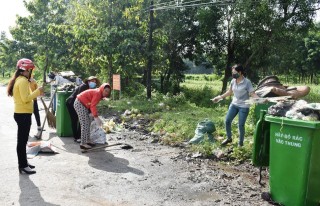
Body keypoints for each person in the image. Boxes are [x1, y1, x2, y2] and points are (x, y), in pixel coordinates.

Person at [7, 58, 44, 174]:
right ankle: (23, 165)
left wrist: (35, 88)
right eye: (29, 70)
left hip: (22, 114)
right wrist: (38, 91)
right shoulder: (22, 81)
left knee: (22, 141)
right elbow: (25, 99)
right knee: (22, 142)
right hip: (23, 115)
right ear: (24, 70)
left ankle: (24, 163)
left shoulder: (21, 80)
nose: (30, 72)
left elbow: (26, 96)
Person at [211, 64, 259, 147]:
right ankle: (229, 138)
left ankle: (240, 143)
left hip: (244, 106)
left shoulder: (247, 82)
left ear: (240, 72)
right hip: (234, 104)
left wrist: (260, 99)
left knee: (240, 125)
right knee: (227, 121)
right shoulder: (233, 81)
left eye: (235, 72)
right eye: (232, 72)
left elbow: (252, 93)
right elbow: (229, 92)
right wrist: (219, 97)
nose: (233, 74)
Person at [74, 83, 111, 150]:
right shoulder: (98, 93)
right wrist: (96, 116)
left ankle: (87, 140)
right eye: (105, 91)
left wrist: (93, 114)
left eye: (108, 92)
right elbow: (93, 105)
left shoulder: (99, 93)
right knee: (85, 124)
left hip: (83, 104)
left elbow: (92, 103)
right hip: (79, 103)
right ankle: (83, 143)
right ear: (102, 89)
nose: (107, 93)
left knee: (88, 123)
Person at [66, 76, 100, 143]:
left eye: (95, 82)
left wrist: (91, 111)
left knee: (82, 120)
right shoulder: (84, 86)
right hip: (72, 103)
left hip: (81, 104)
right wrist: (90, 110)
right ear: (88, 81)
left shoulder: (92, 88)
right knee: (75, 119)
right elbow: (80, 98)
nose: (94, 83)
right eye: (92, 81)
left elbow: (91, 100)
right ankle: (76, 137)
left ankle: (81, 137)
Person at [29, 74, 43, 138]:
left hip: (34, 100)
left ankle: (39, 126)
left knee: (36, 113)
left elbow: (37, 89)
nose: (31, 78)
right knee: (28, 115)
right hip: (28, 101)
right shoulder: (24, 82)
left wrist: (40, 94)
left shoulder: (34, 82)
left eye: (32, 76)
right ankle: (27, 128)